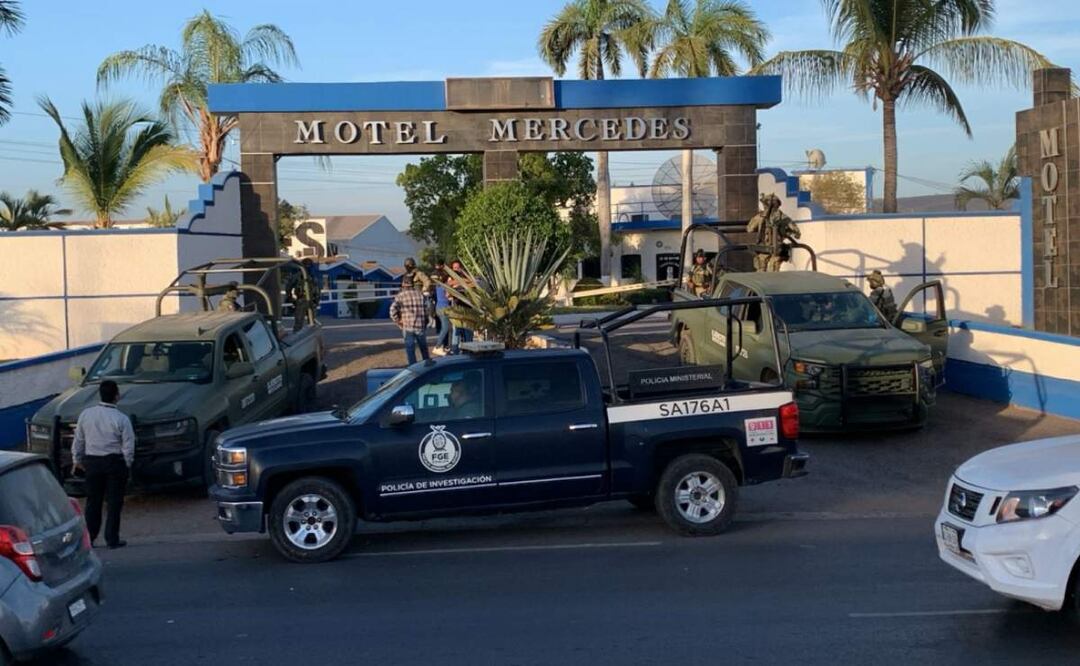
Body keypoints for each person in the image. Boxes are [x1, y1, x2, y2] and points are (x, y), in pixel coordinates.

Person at [71, 380, 134, 549]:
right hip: (114, 462)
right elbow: (128, 445)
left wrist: (77, 460)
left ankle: (90, 537)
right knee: (114, 502)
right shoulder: (121, 418)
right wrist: (127, 463)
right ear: (117, 396)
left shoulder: (86, 414)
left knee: (93, 501)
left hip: (92, 462)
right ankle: (112, 538)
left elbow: (79, 440)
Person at [390, 274, 430, 364]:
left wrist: (398, 321)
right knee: (424, 349)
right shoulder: (420, 295)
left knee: (410, 351)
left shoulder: (400, 296)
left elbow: (392, 310)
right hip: (420, 326)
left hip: (407, 327)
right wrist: (426, 321)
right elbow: (426, 310)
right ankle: (427, 367)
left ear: (403, 284)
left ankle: (413, 368)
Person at [447, 260, 474, 353]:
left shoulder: (466, 277)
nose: (456, 270)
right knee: (457, 331)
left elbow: (473, 282)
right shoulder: (450, 279)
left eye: (458, 268)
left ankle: (469, 350)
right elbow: (448, 291)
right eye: (454, 268)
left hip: (468, 308)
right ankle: (456, 351)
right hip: (457, 308)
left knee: (468, 331)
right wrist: (461, 283)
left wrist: (462, 280)